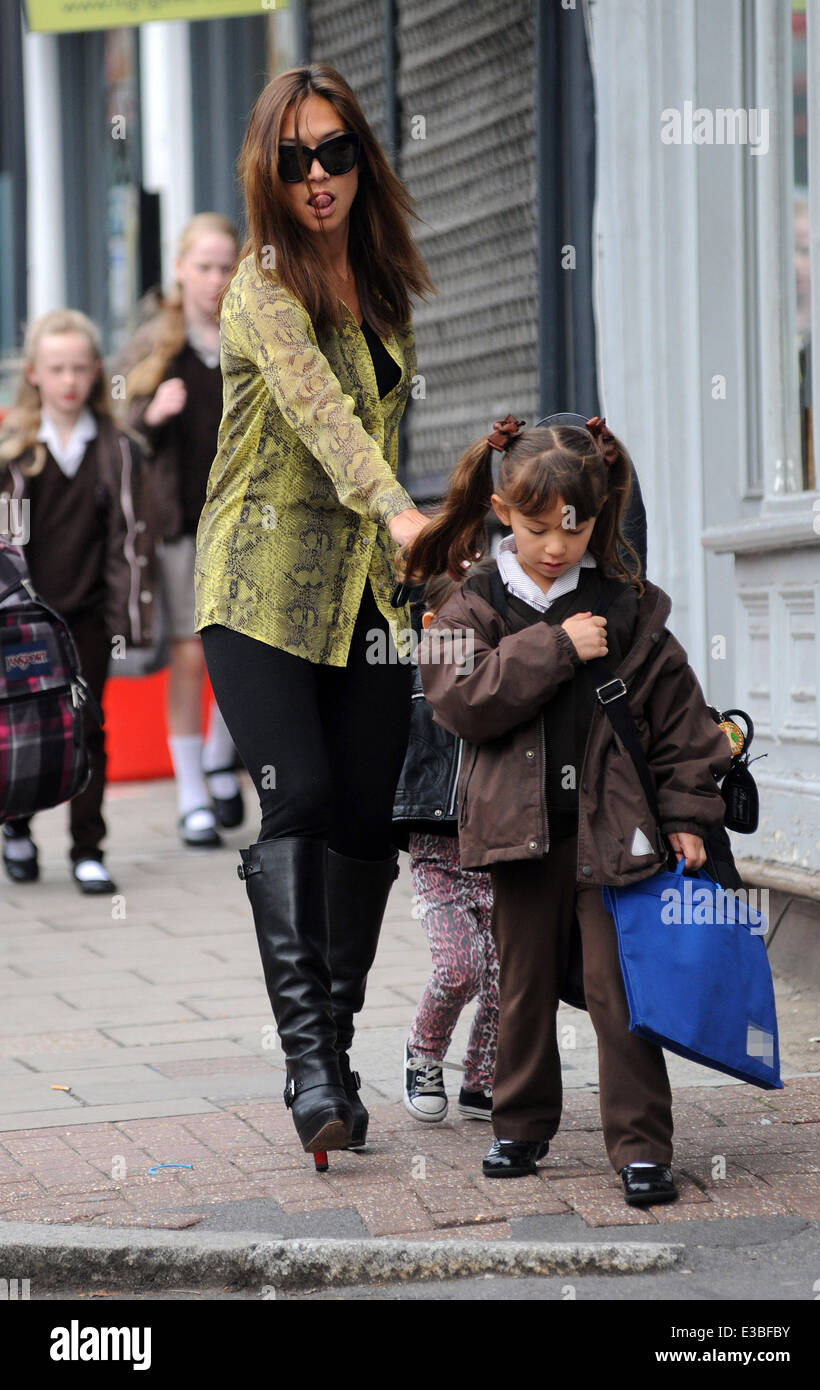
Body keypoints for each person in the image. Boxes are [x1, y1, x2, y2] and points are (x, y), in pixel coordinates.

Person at [194, 64, 434, 1166]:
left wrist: (432, 544)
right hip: (257, 586)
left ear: (362, 158)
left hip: (369, 596)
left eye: (336, 151)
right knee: (301, 798)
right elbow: (323, 415)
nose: (320, 175)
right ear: (268, 172)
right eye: (296, 159)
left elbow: (384, 426)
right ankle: (307, 1065)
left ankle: (332, 1054)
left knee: (369, 821)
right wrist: (399, 510)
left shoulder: (380, 283)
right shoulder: (261, 286)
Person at [410, 415, 732, 1204]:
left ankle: (642, 1148)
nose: (556, 545)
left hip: (612, 835)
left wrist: (689, 814)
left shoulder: (629, 609)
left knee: (619, 990)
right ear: (499, 510)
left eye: (574, 525)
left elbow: (685, 725)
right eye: (536, 527)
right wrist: (556, 647)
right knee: (519, 986)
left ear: (596, 512)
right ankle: (519, 1128)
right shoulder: (466, 606)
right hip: (517, 836)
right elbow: (460, 702)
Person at [0, 309, 155, 893]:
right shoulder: (15, 450)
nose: (68, 379)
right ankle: (16, 825)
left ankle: (87, 848)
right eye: (55, 368)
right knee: (21, 721)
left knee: (86, 725)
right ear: (35, 374)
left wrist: (130, 619)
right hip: (23, 621)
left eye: (79, 367)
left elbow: (131, 539)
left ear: (96, 372)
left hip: (88, 619)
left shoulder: (116, 448)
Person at [121, 214, 243, 848]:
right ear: (180, 270)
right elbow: (118, 429)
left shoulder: (250, 334)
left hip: (246, 523)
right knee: (190, 654)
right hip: (178, 527)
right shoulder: (155, 345)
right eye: (204, 267)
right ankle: (193, 791)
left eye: (226, 267)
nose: (216, 280)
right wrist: (148, 411)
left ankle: (224, 759)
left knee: (242, 652)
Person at [392, 567, 498, 1124]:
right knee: (461, 965)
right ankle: (423, 1052)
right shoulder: (415, 680)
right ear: (432, 625)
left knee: (509, 972)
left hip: (502, 847)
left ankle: (484, 1076)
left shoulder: (505, 675)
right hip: (439, 851)